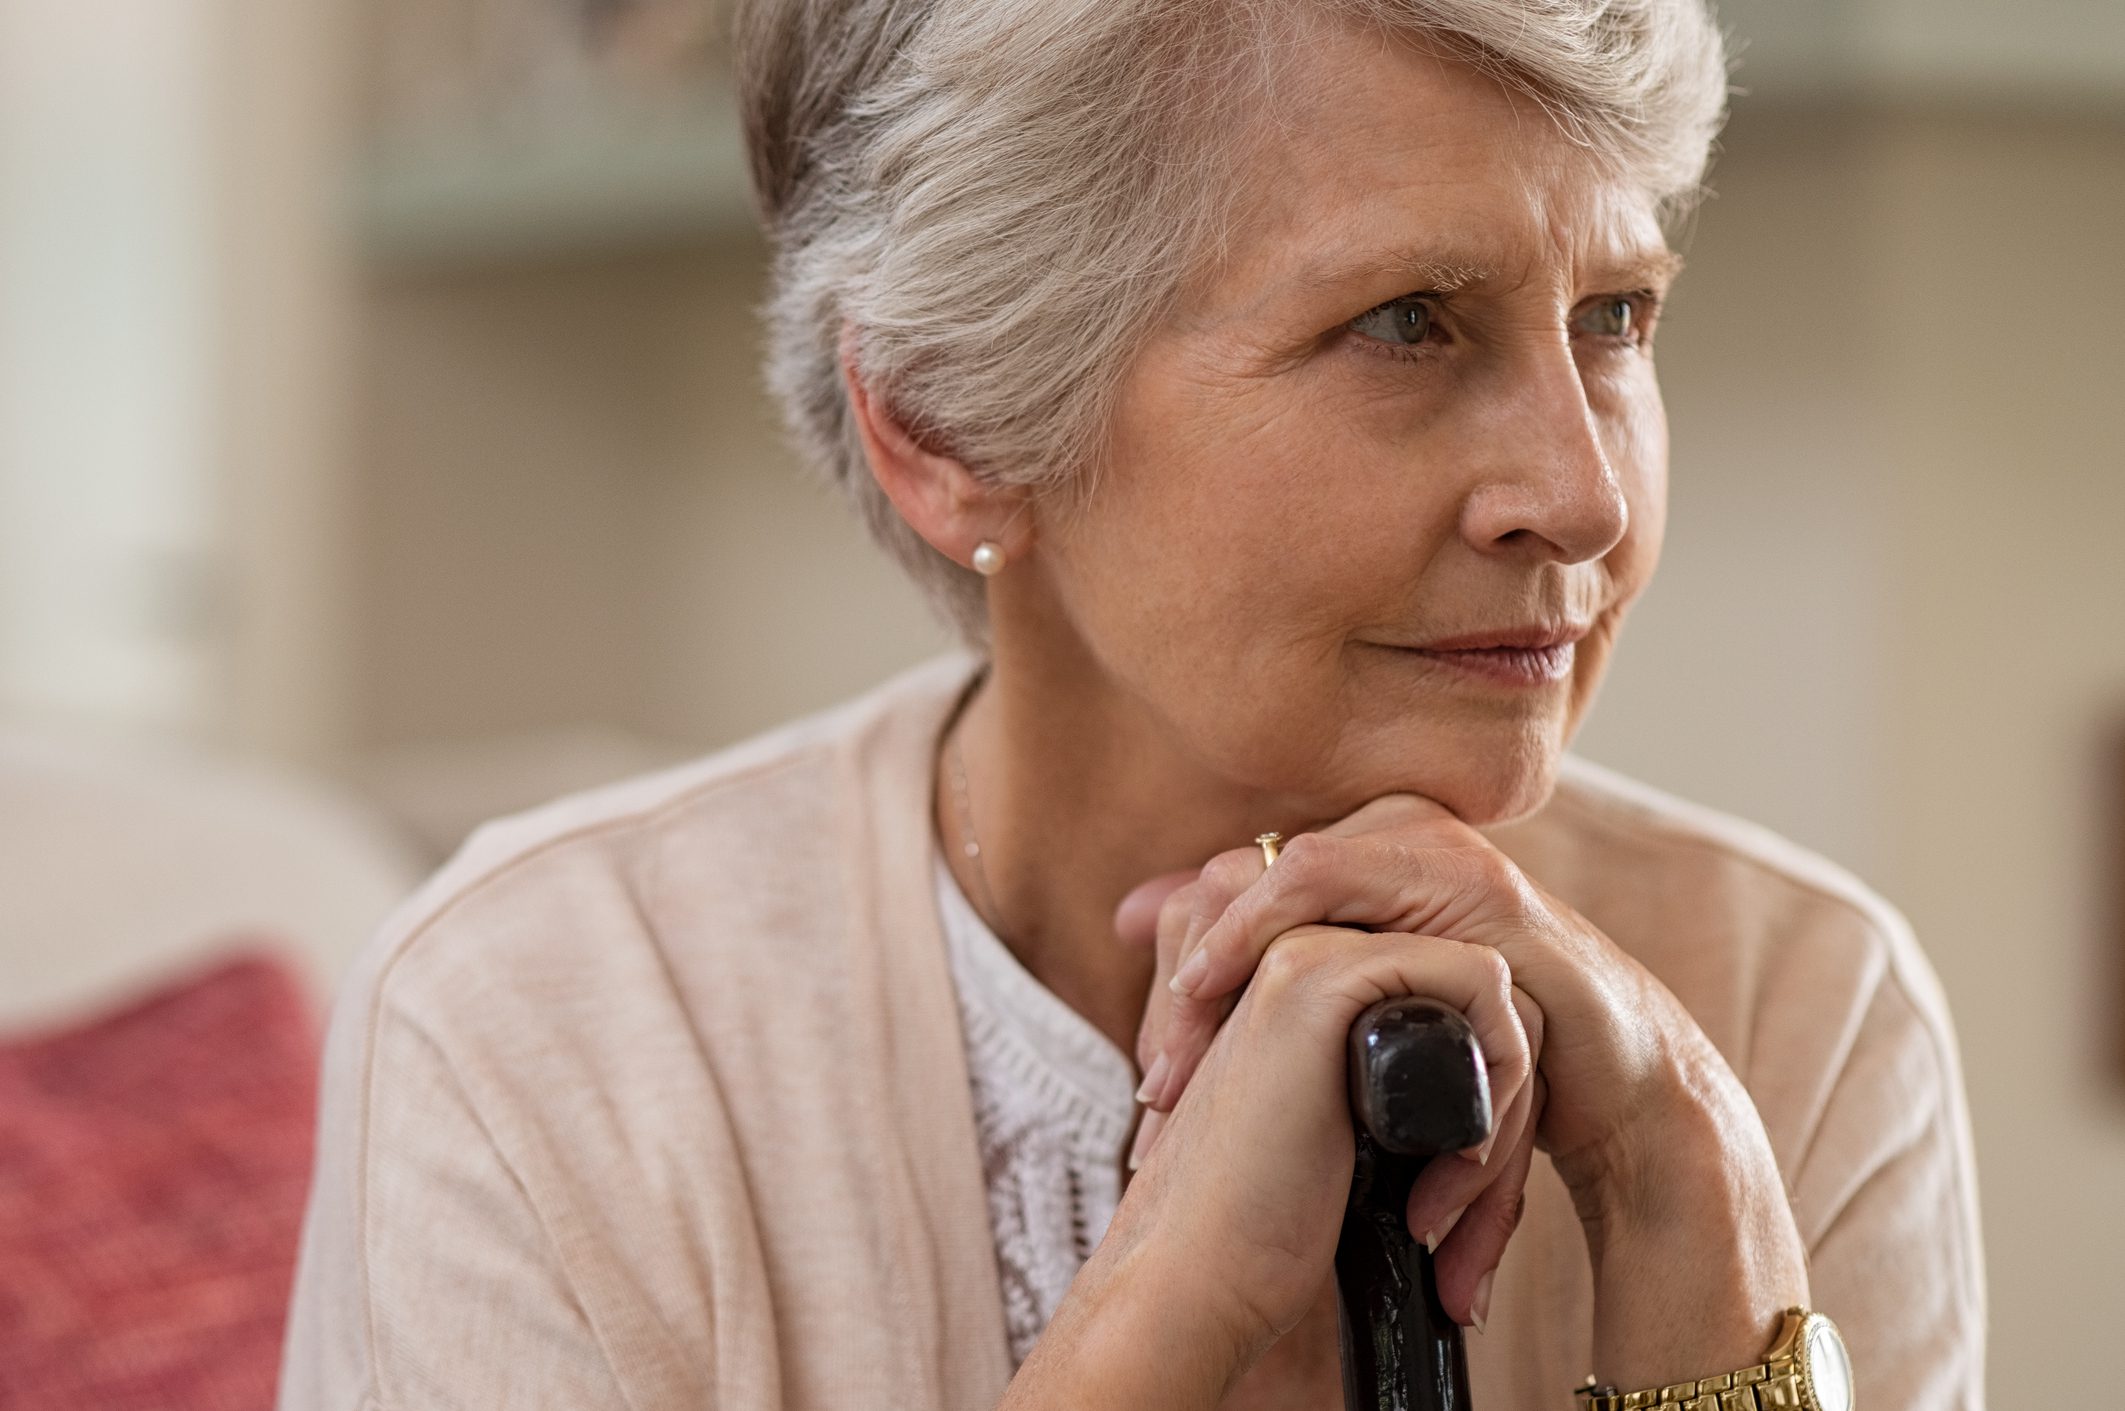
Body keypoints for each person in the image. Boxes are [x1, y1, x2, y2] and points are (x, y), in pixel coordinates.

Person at [279, 1, 1986, 1408]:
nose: (1582, 492)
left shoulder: (1792, 1005)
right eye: (1406, 323)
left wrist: (1684, 1193)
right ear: (944, 427)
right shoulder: (543, 1032)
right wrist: (1162, 1318)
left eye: (1613, 316)